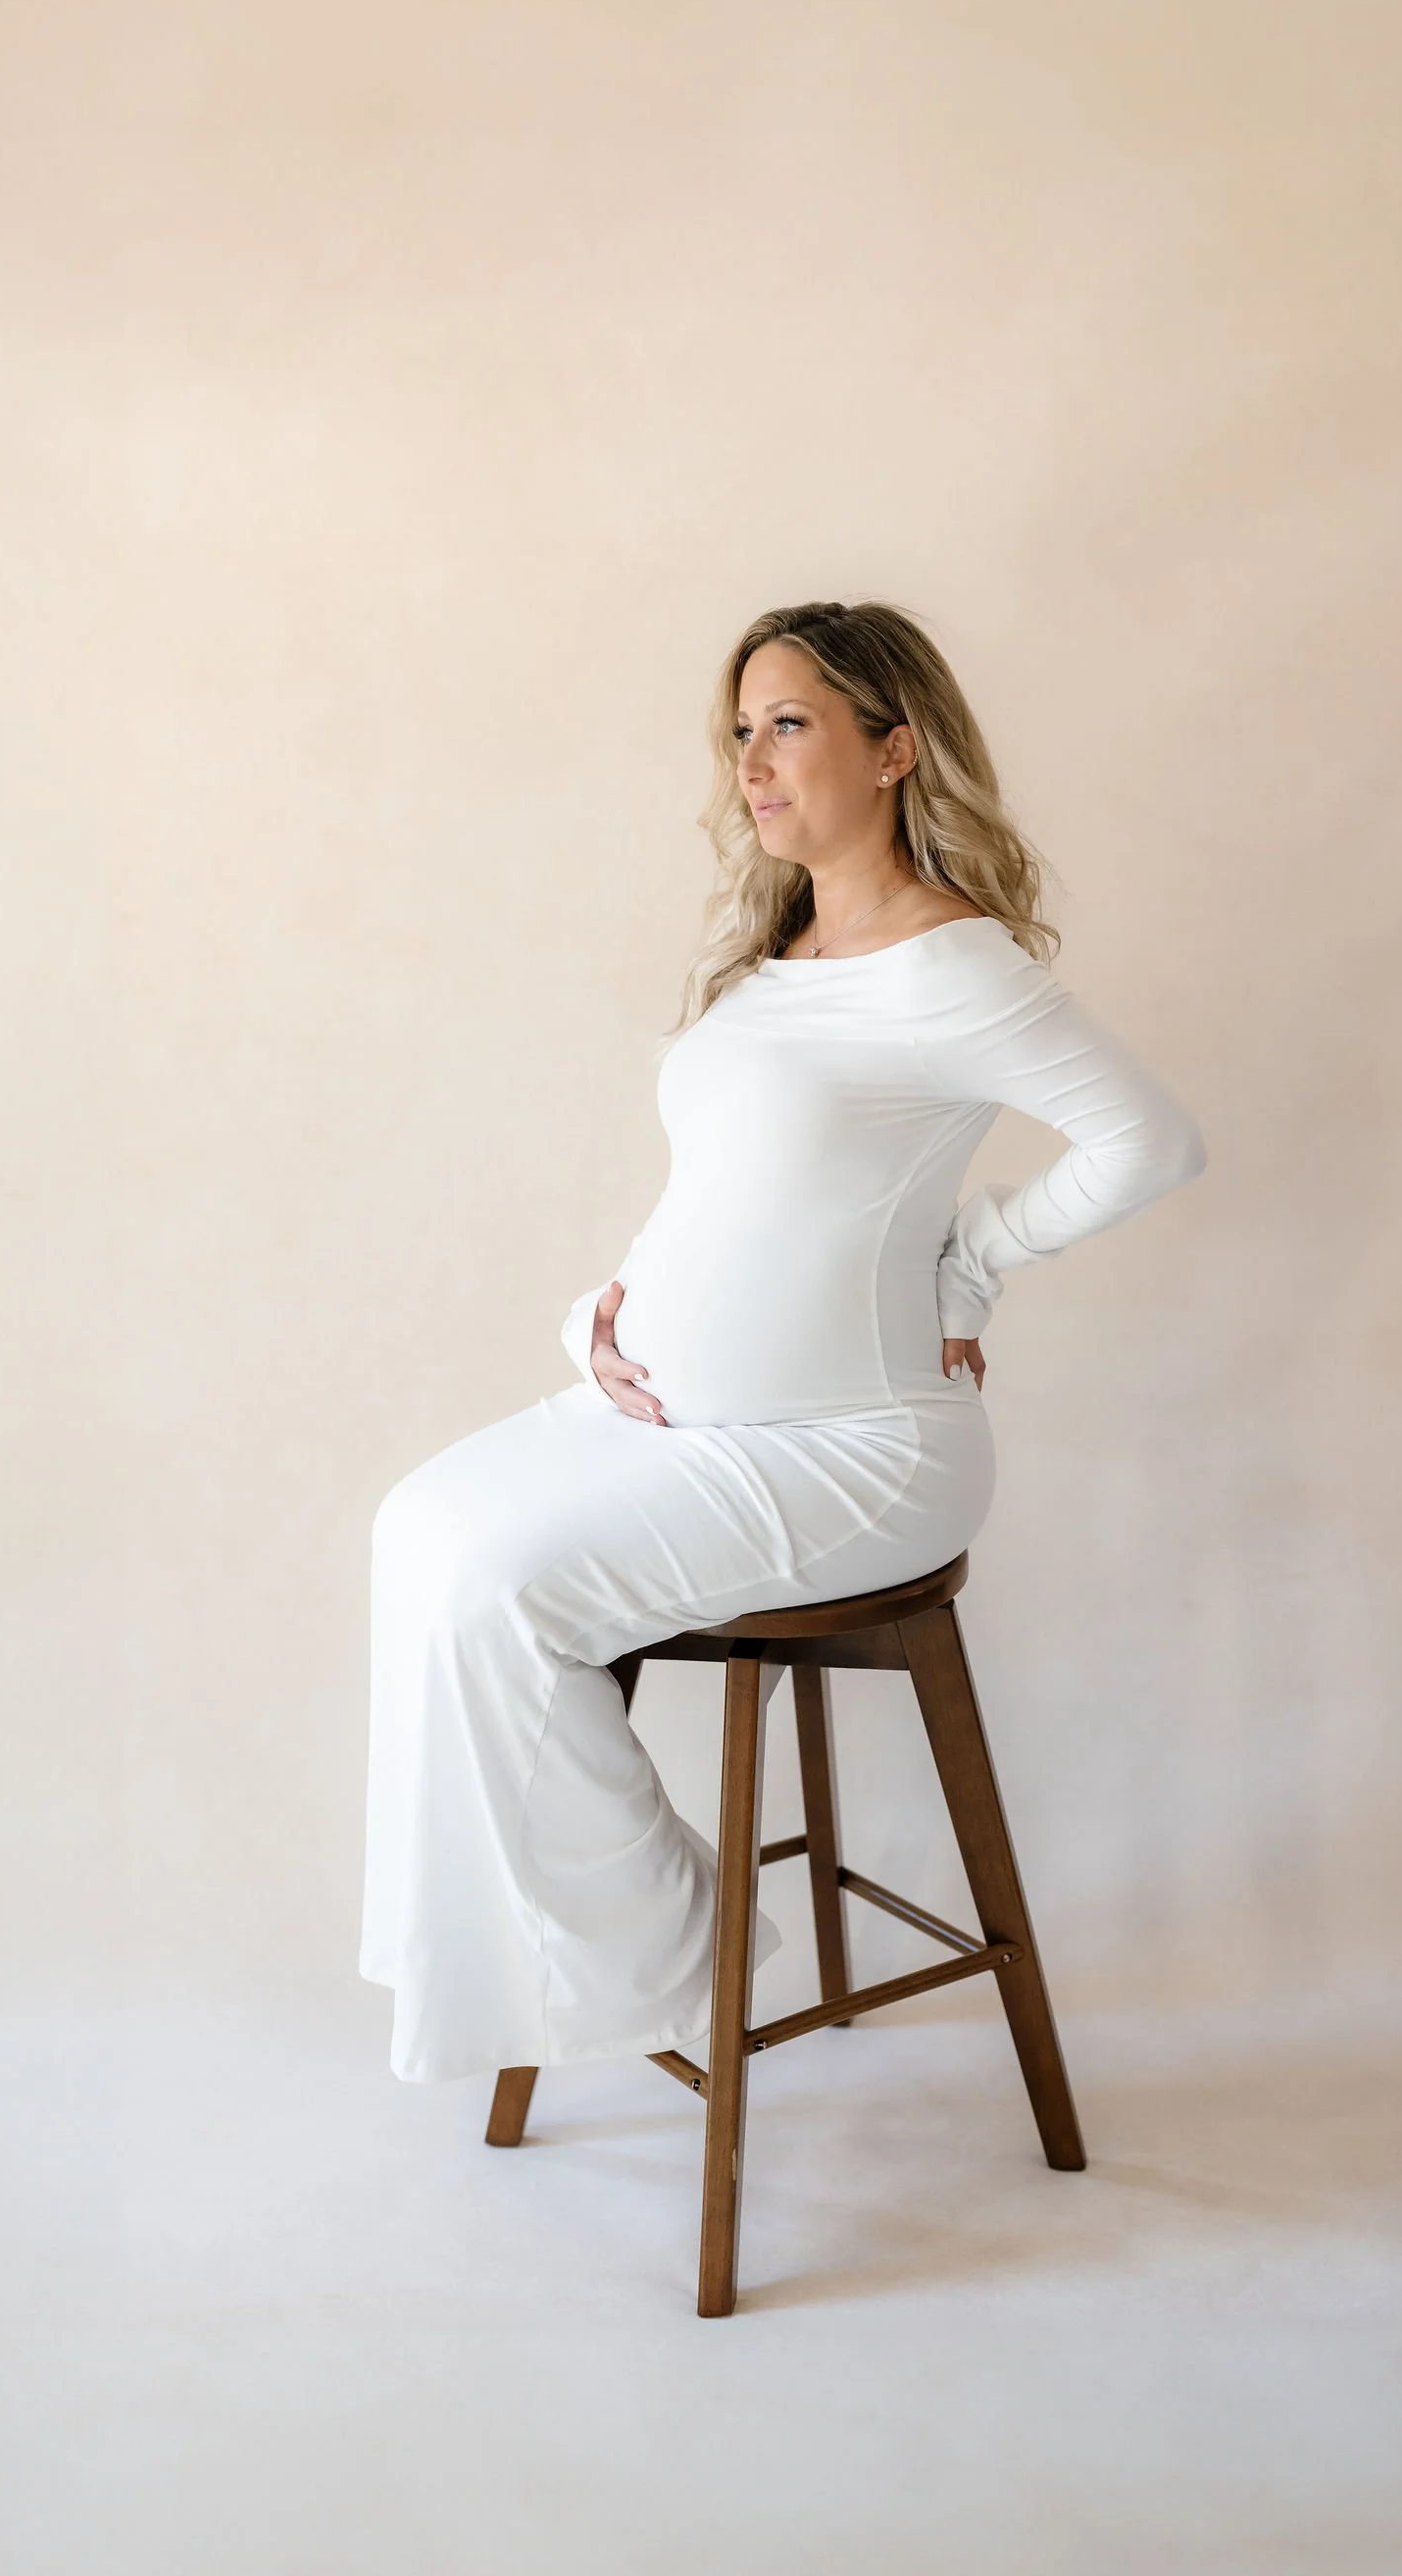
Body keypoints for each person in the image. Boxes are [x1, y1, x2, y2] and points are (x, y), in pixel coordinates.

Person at [361, 601, 1206, 2084]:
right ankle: (575, 1963)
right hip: (674, 1423)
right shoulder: (774, 960)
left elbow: (1150, 1141)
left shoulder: (954, 965)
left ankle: (680, 1951)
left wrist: (975, 1265)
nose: (751, 761)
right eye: (741, 730)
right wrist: (603, 1318)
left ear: (895, 747)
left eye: (790, 724)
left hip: (855, 1449)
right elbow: (728, 1196)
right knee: (418, 1529)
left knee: (498, 1585)